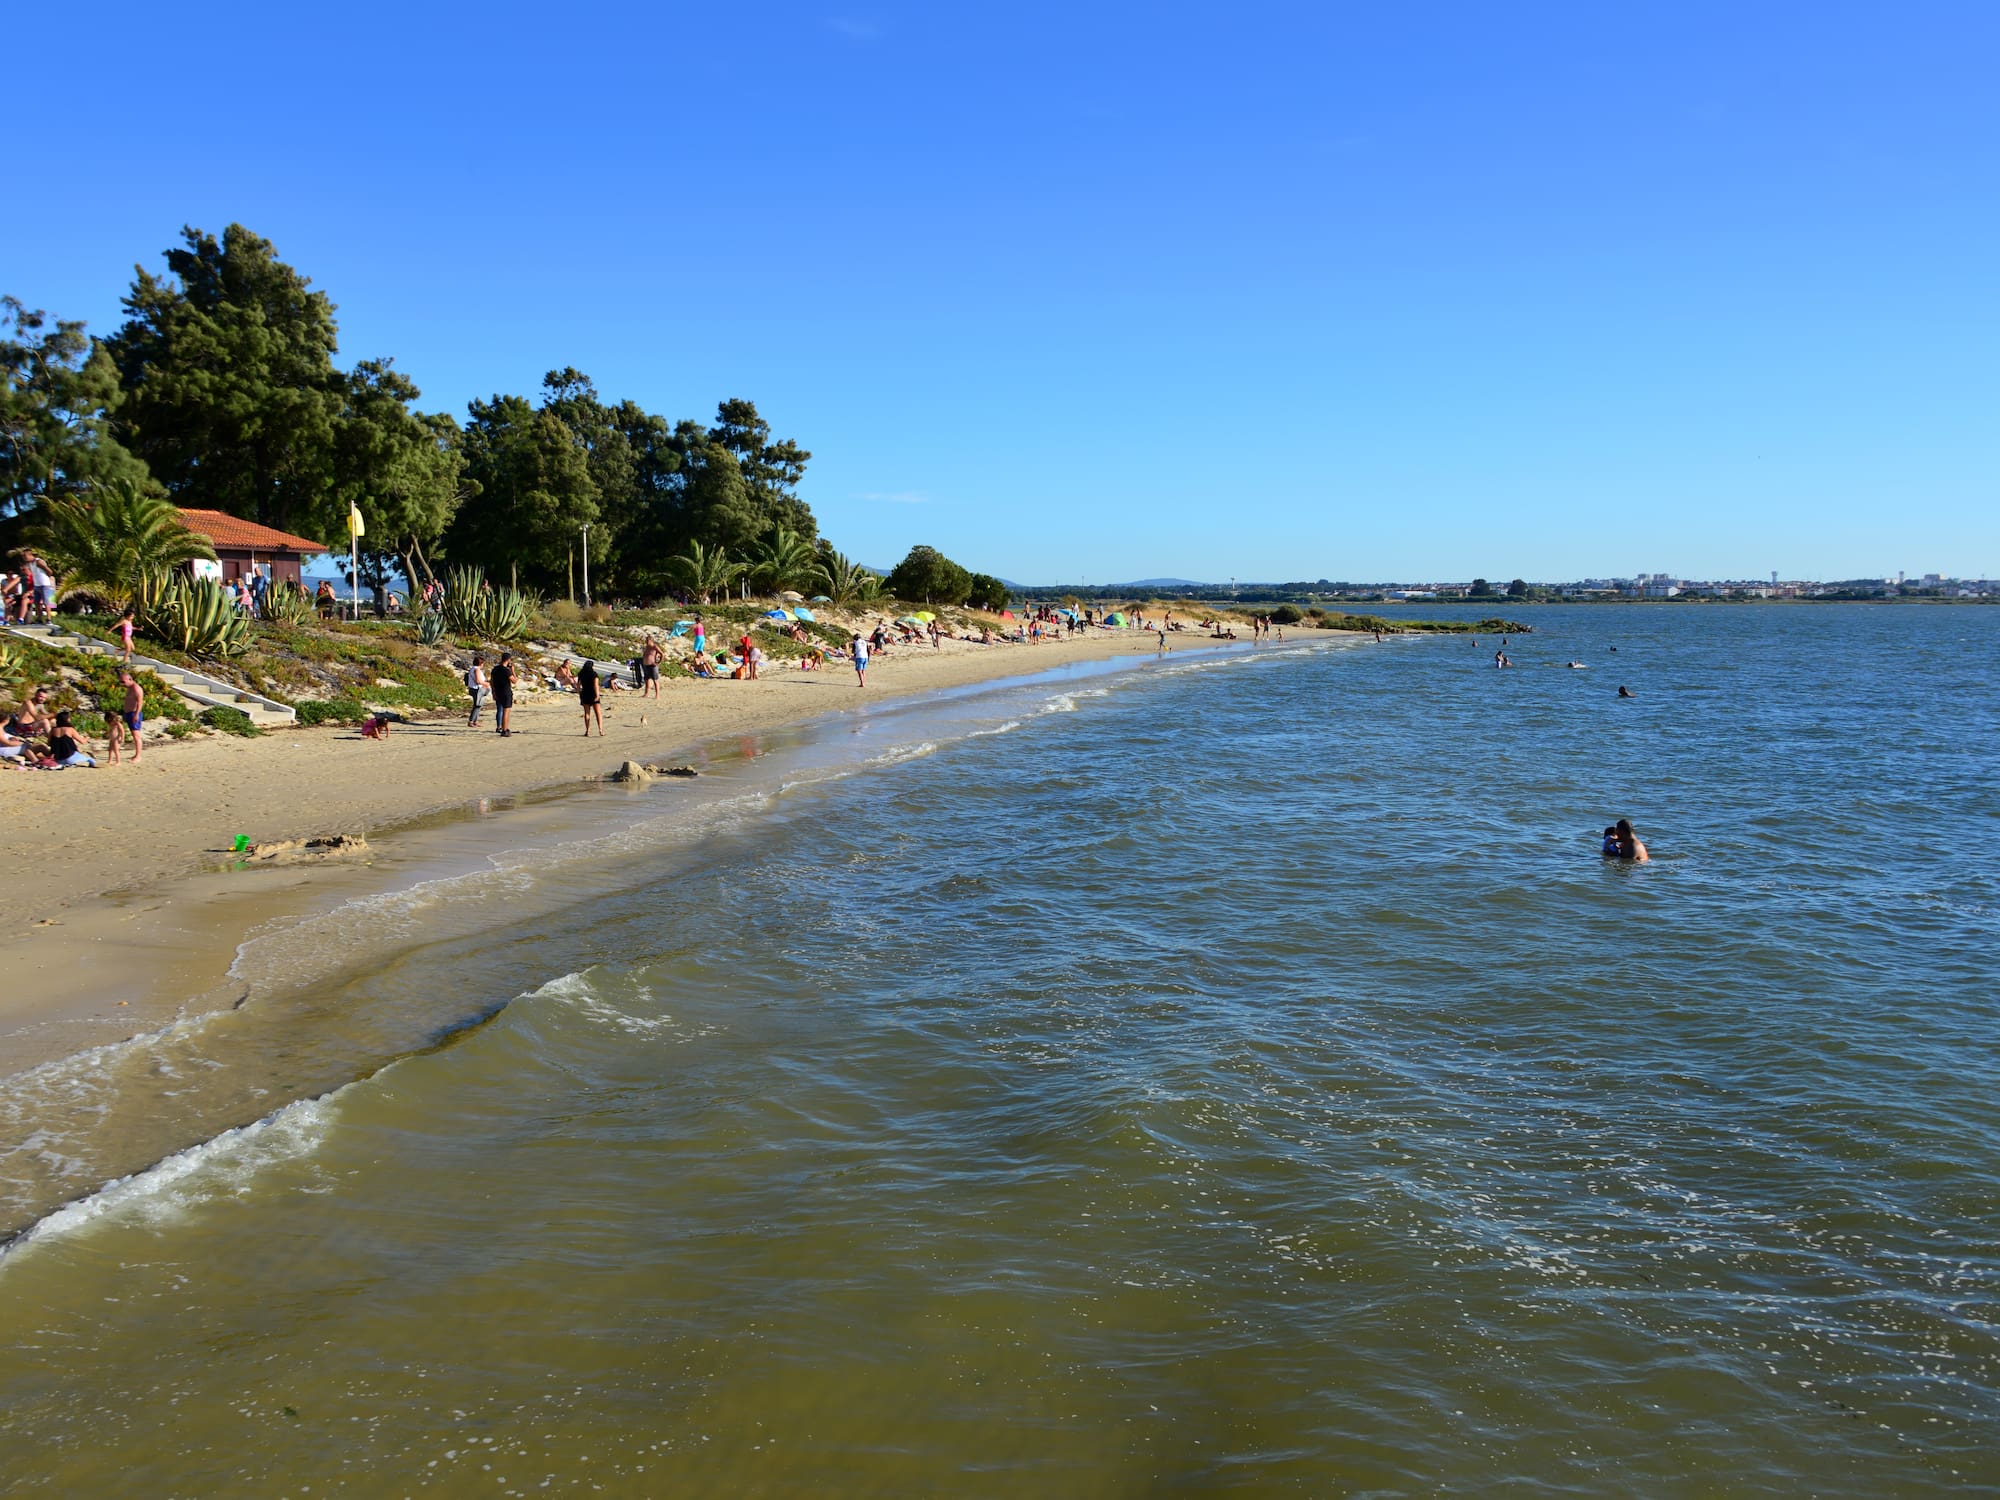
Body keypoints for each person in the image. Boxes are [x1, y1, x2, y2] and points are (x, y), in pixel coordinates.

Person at [119, 671, 144, 763]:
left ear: (130, 679)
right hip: (129, 713)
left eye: (123, 682)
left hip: (134, 713)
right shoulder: (130, 688)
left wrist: (136, 714)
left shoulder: (137, 689)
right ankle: (136, 755)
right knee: (134, 735)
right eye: (121, 682)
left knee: (136, 735)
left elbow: (140, 702)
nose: (122, 684)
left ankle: (138, 756)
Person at [491, 652, 515, 736]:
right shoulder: (506, 670)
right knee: (506, 711)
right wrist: (513, 671)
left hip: (497, 691)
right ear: (508, 660)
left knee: (500, 709)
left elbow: (492, 681)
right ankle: (505, 729)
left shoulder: (495, 669)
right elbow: (514, 680)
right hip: (505, 692)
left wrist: (493, 692)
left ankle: (500, 727)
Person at [578, 659, 603, 735]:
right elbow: (596, 685)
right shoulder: (593, 674)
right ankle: (600, 730)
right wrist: (597, 695)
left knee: (587, 713)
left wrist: (580, 694)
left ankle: (587, 730)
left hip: (585, 693)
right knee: (598, 713)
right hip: (593, 693)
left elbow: (578, 685)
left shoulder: (581, 673)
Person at [465, 653, 488, 727]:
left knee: (478, 705)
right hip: (477, 689)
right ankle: (471, 721)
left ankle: (475, 721)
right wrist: (486, 684)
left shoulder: (472, 669)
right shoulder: (476, 669)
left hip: (473, 688)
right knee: (477, 705)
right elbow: (478, 681)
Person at [639, 635, 663, 699]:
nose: (646, 641)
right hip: (646, 665)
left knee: (655, 680)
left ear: (650, 640)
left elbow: (662, 654)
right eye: (646, 640)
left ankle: (657, 695)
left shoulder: (654, 647)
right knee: (646, 680)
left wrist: (658, 662)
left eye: (647, 640)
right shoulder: (646, 647)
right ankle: (646, 694)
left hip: (652, 665)